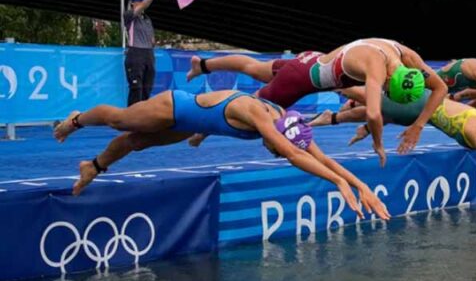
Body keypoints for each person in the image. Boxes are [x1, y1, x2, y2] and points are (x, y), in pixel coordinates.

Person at [51, 90, 389, 222]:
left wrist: (359, 185)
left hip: (194, 122)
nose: (272, 152)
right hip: (176, 106)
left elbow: (318, 155)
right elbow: (291, 153)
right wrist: (336, 184)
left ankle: (93, 166)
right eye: (274, 150)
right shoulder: (263, 118)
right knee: (119, 120)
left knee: (137, 142)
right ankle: (77, 119)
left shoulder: (289, 121)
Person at [187, 38, 445, 166]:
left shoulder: (405, 56)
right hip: (302, 80)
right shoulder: (377, 69)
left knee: (255, 68)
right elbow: (375, 115)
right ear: (390, 79)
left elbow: (440, 87)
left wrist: (418, 126)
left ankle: (203, 65)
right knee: (253, 112)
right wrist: (378, 145)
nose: (384, 92)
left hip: (309, 60)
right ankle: (202, 129)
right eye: (388, 91)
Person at [321, 90, 476, 227]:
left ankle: (337, 116)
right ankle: (332, 84)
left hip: (426, 103)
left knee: (382, 114)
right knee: (369, 100)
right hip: (421, 106)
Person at [124, 0, 165, 105]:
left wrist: (153, 42)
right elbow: (143, 6)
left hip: (149, 54)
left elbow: (152, 40)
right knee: (136, 88)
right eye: (139, 0)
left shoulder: (148, 20)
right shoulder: (129, 16)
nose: (142, 2)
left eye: (143, 0)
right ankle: (131, 118)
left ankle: (144, 118)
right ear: (132, 2)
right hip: (136, 54)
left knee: (147, 89)